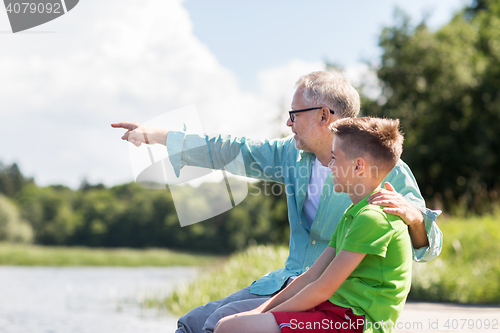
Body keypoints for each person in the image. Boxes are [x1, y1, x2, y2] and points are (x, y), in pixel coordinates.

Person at [111, 70, 442, 333]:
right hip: (289, 281)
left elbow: (429, 247)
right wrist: (159, 136)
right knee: (192, 323)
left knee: (220, 324)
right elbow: (231, 150)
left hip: (338, 300)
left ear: (324, 116)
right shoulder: (291, 155)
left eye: (294, 114)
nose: (288, 123)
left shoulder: (383, 168)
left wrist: (415, 218)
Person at [214, 117, 411, 333]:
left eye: (335, 158)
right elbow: (310, 276)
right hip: (334, 312)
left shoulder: (373, 218)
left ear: (357, 165)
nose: (329, 165)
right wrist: (258, 312)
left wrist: (265, 316)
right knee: (231, 323)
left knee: (231, 328)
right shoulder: (353, 214)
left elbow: (322, 288)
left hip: (354, 323)